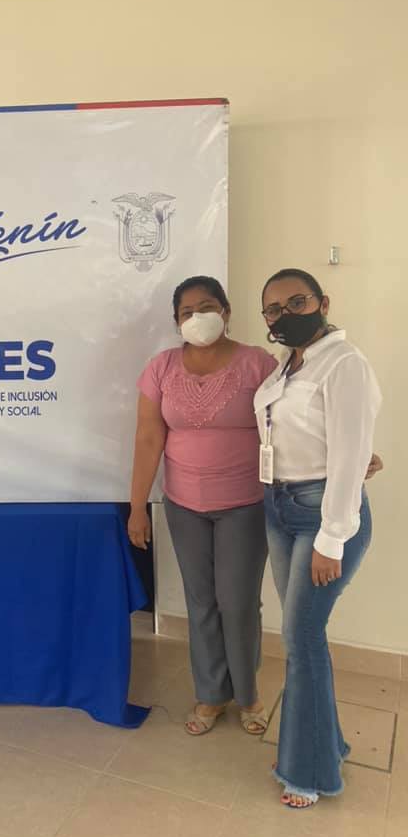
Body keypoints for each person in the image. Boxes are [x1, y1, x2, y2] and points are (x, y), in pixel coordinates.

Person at [254, 268, 381, 808]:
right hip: (279, 506)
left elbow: (350, 455)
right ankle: (326, 744)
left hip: (323, 516)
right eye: (273, 309)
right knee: (304, 637)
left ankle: (308, 772)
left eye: (297, 302)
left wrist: (332, 538)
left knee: (300, 638)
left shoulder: (344, 363)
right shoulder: (288, 362)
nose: (285, 314)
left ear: (322, 302)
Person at [128, 276, 278, 736]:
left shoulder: (258, 364)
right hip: (183, 505)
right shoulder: (161, 368)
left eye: (207, 307)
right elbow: (148, 437)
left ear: (227, 311)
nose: (198, 317)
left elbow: (289, 426)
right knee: (201, 602)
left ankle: (248, 695)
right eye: (187, 312)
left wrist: (342, 458)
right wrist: (138, 507)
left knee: (238, 602)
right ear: (177, 322)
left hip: (245, 504)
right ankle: (211, 694)